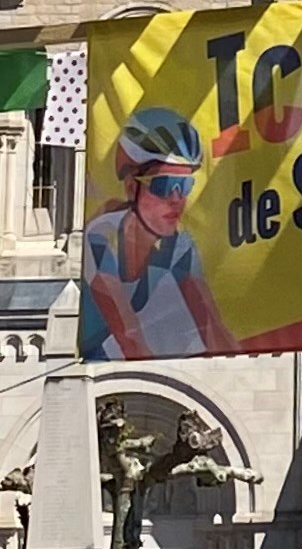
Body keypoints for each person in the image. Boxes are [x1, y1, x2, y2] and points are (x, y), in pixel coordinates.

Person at [80, 108, 235, 360]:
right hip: (91, 357)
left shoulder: (179, 245)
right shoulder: (101, 238)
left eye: (184, 186)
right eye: (165, 185)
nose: (176, 199)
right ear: (132, 188)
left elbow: (212, 326)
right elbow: (128, 336)